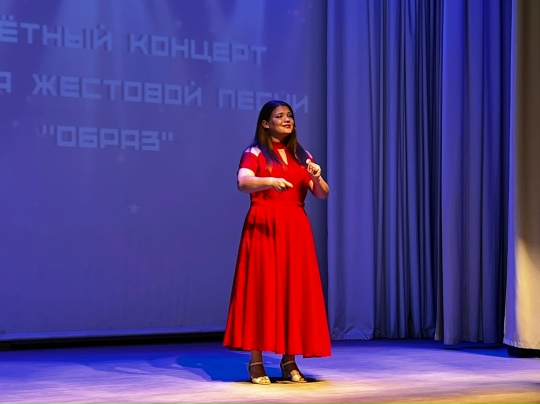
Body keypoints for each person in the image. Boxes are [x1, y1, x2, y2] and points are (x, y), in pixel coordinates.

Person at [223, 100, 331, 384]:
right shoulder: (255, 152)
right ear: (265, 123)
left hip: (295, 227)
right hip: (264, 225)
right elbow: (243, 182)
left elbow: (321, 193)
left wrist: (318, 177)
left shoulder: (302, 155)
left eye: (290, 115)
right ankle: (256, 362)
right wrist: (269, 181)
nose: (287, 119)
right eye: (279, 116)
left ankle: (289, 360)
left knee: (293, 290)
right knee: (261, 289)